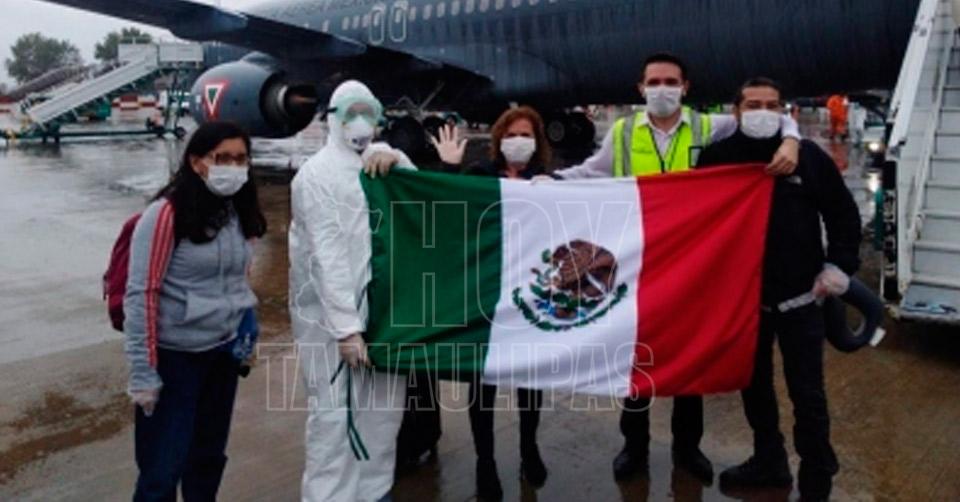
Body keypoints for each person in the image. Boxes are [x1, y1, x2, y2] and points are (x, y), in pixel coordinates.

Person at [552, 52, 802, 485]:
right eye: (654, 82)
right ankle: (634, 446)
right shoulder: (624, 132)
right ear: (640, 88)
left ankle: (688, 448)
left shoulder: (709, 127)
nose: (662, 89)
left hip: (691, 261)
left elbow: (771, 119)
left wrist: (793, 140)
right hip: (639, 259)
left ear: (685, 87)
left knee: (689, 357)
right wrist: (550, 182)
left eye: (671, 81)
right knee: (636, 356)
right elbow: (592, 173)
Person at [696, 77, 862, 502]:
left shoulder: (807, 157)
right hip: (745, 301)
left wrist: (839, 266)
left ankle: (818, 467)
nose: (762, 112)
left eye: (771, 105)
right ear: (736, 111)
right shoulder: (717, 158)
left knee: (807, 391)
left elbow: (843, 214)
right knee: (754, 386)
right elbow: (697, 218)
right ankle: (768, 457)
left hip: (802, 297)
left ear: (783, 110)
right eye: (753, 105)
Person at [124, 121, 267, 501]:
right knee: (161, 470)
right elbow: (142, 294)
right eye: (223, 158)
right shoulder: (166, 214)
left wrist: (247, 327)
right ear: (197, 162)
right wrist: (142, 372)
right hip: (176, 360)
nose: (233, 167)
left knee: (208, 459)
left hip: (222, 354)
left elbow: (238, 281)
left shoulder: (236, 212)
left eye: (241, 159)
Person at [289, 80, 415, 502]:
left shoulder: (379, 165)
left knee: (383, 415)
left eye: (368, 113)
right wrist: (345, 328)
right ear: (333, 119)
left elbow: (421, 205)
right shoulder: (317, 175)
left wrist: (398, 159)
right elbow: (327, 256)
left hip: (383, 314)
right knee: (335, 418)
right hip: (331, 325)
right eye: (350, 114)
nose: (360, 122)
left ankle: (375, 492)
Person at [431, 106, 552, 500]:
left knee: (529, 381)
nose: (519, 142)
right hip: (485, 293)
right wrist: (449, 168)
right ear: (499, 140)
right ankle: (486, 461)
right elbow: (447, 210)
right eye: (512, 135)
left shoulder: (545, 182)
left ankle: (529, 446)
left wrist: (556, 192)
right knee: (482, 383)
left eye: (526, 135)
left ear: (537, 142)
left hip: (530, 297)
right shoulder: (481, 176)